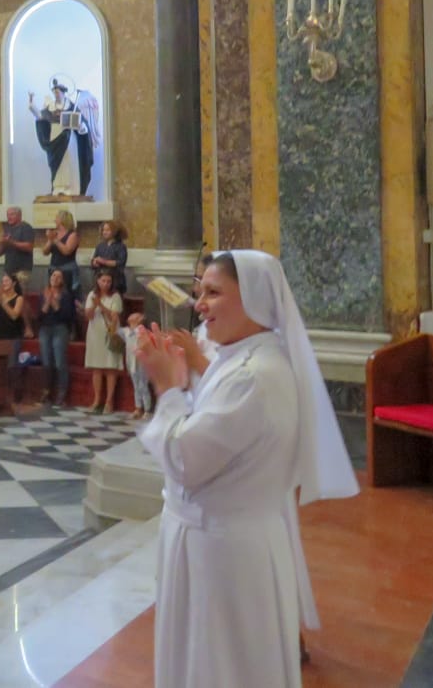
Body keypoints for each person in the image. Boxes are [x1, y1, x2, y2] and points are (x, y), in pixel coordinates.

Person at [135, 250, 358, 688]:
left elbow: (184, 459)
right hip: (217, 542)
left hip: (224, 551)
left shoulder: (253, 374)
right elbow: (213, 422)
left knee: (222, 666)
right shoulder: (241, 359)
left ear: (254, 298)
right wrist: (182, 377)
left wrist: (167, 388)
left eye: (213, 293)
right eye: (200, 292)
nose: (200, 304)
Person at [84, 268, 124, 412]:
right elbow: (88, 315)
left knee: (110, 366)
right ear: (98, 281)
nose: (106, 284)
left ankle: (109, 401)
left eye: (108, 281)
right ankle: (97, 400)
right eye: (103, 281)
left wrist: (100, 305)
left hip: (110, 332)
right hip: (95, 333)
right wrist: (95, 304)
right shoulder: (92, 294)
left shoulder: (115, 296)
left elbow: (113, 316)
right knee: (97, 367)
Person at [37, 269, 77, 408]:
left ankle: (62, 393)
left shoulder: (66, 296)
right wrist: (47, 302)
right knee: (46, 362)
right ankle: (46, 392)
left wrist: (54, 303)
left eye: (59, 276)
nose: (55, 278)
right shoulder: (43, 294)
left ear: (63, 280)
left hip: (60, 329)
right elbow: (39, 316)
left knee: (60, 361)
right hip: (45, 329)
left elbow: (68, 316)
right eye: (53, 275)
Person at [42, 210, 81, 300]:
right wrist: (50, 240)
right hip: (53, 268)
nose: (55, 220)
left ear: (63, 220)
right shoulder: (54, 233)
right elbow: (45, 252)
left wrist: (55, 240)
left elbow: (67, 251)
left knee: (68, 295)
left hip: (67, 269)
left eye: (57, 218)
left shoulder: (73, 234)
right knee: (53, 294)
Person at [123, 311, 152, 419]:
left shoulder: (143, 331)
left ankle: (147, 409)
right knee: (136, 386)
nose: (131, 316)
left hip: (141, 362)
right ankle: (138, 408)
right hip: (131, 361)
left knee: (143, 385)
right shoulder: (127, 331)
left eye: (135, 315)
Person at [0, 207, 36, 283]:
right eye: (7, 215)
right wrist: (1, 243)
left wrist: (11, 242)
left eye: (12, 214)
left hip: (22, 271)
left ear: (19, 215)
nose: (9, 217)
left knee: (19, 290)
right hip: (8, 270)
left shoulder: (26, 227)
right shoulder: (7, 229)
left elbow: (29, 247)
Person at [91, 220, 128, 295]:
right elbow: (94, 260)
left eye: (107, 230)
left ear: (114, 231)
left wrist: (104, 261)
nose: (104, 232)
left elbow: (120, 263)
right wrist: (94, 263)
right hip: (100, 282)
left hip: (116, 282)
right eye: (103, 230)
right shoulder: (100, 246)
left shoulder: (121, 246)